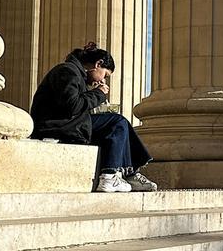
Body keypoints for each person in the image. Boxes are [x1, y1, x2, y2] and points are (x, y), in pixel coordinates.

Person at [30, 43, 156, 193]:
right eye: (105, 75)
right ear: (98, 64)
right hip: (55, 126)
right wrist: (99, 93)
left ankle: (128, 174)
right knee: (118, 122)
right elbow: (73, 106)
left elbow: (73, 105)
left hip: (62, 124)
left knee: (115, 126)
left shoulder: (74, 73)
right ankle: (110, 176)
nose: (103, 80)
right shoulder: (67, 71)